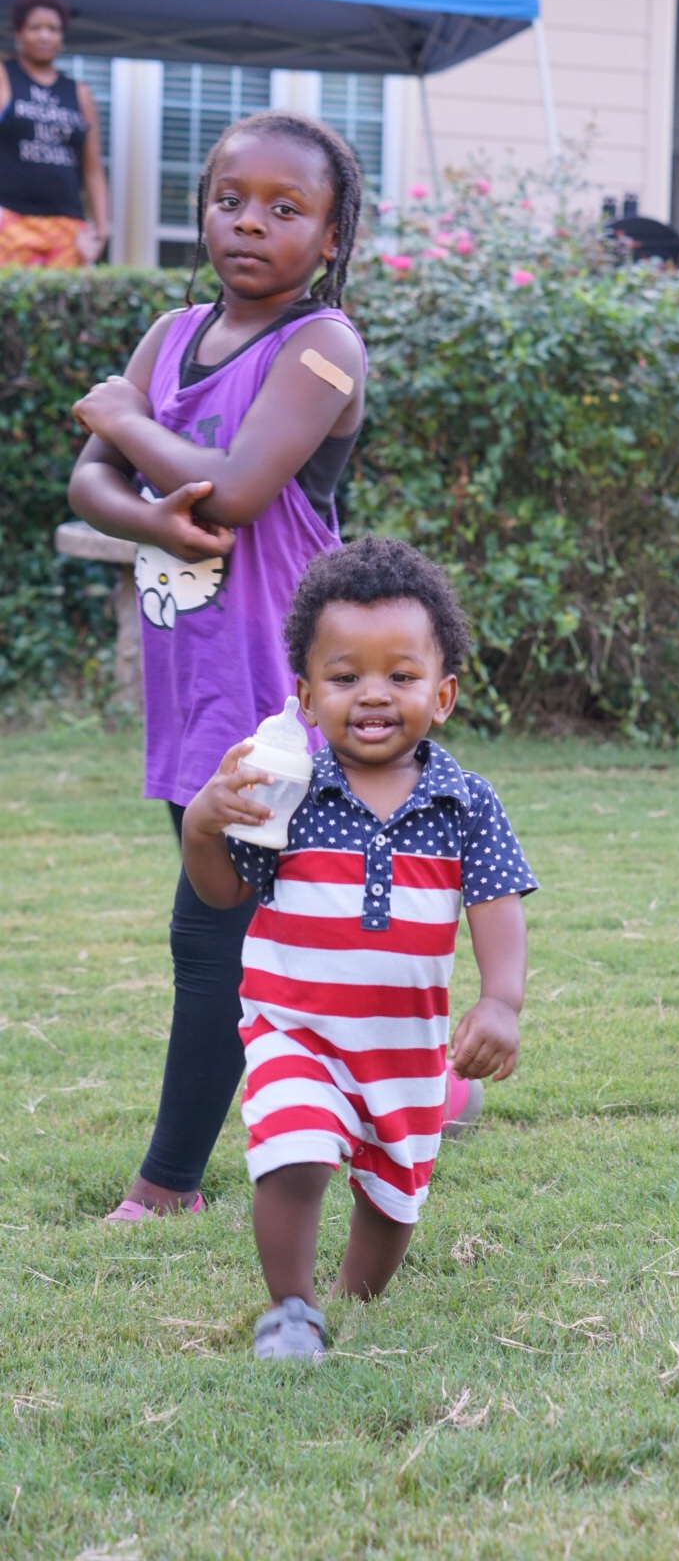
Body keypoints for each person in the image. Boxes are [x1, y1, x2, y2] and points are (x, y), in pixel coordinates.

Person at [68, 109, 381, 1221]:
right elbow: (90, 484)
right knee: (288, 921)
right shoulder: (170, 331)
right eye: (230, 198)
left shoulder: (322, 346)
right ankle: (420, 1077)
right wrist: (153, 517)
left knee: (213, 931)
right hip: (190, 680)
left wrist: (122, 418)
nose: (250, 222)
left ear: (331, 236)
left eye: (285, 209)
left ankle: (167, 1184)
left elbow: (239, 486)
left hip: (282, 687)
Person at [180, 535, 536, 1358]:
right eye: (345, 678)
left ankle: (353, 1293)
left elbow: (496, 904)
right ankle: (293, 1309)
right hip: (295, 1029)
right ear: (306, 695)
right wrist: (203, 826)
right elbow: (223, 892)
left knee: (394, 1193)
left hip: (405, 1048)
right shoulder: (287, 792)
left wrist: (500, 1000)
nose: (373, 696)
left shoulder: (465, 802)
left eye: (400, 677)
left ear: (441, 694)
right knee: (294, 1151)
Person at [0, 0, 108, 267]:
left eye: (53, 29)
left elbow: (92, 169)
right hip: (10, 219)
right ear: (19, 32)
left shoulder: (79, 92)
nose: (45, 35)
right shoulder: (4, 75)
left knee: (62, 307)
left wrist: (101, 226)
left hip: (66, 224)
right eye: (35, 27)